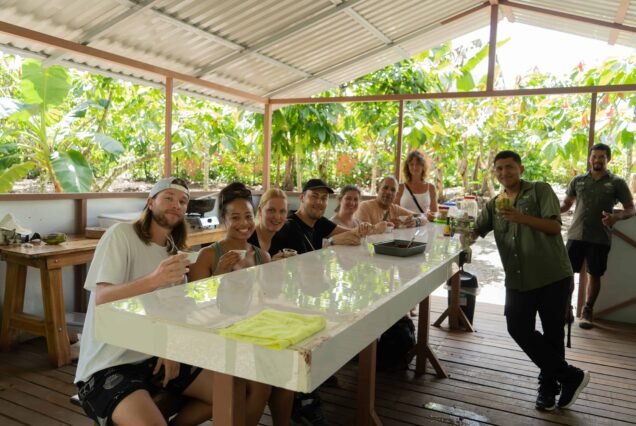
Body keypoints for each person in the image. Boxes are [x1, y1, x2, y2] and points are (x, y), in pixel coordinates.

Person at [74, 177, 215, 426]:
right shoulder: (121, 235)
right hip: (109, 364)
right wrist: (154, 279)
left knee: (228, 393)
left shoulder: (173, 252)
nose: (176, 205)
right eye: (168, 198)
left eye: (183, 201)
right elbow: (102, 297)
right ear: (150, 202)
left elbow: (173, 311)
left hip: (152, 357)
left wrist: (170, 348)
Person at [471, 151, 590, 412]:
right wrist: (462, 232)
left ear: (521, 168)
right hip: (518, 277)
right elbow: (476, 229)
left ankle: (548, 388)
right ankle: (570, 376)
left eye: (509, 167)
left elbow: (554, 227)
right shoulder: (494, 204)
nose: (504, 173)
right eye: (499, 168)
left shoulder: (539, 190)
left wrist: (520, 217)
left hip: (551, 274)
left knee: (553, 333)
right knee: (517, 326)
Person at [189, 182, 272, 426]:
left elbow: (264, 303)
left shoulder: (262, 256)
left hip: (249, 335)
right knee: (257, 381)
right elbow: (194, 307)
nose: (243, 223)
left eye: (248, 216)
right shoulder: (208, 255)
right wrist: (219, 277)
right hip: (213, 337)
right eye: (235, 217)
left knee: (270, 379)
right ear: (223, 220)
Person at [560, 143, 635, 329]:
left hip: (600, 237)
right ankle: (566, 308)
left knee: (594, 274)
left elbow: (630, 208)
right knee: (567, 274)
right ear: (589, 158)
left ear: (608, 159)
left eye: (602, 157)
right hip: (576, 235)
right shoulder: (578, 180)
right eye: (594, 156)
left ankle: (588, 311)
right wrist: (548, 212)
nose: (597, 160)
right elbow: (566, 204)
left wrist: (616, 217)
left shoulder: (617, 182)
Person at [277, 178, 369, 253]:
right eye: (314, 196)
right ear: (302, 197)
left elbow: (354, 234)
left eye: (324, 198)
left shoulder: (319, 222)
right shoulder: (290, 226)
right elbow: (306, 262)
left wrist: (366, 228)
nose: (319, 202)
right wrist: (331, 241)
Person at [355, 176, 424, 228]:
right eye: (385, 188)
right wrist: (387, 226)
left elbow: (423, 217)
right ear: (378, 189)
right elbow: (364, 232)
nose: (388, 192)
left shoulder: (394, 208)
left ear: (396, 195)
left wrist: (417, 221)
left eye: (393, 190)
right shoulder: (364, 207)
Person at [248, 188, 294, 260]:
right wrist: (271, 264)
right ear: (260, 211)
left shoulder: (286, 236)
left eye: (282, 211)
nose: (277, 217)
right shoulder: (247, 237)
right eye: (271, 210)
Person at [395, 150, 438, 221]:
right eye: (411, 164)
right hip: (404, 225)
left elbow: (435, 213)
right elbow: (394, 211)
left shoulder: (430, 188)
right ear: (408, 167)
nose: (414, 167)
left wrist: (431, 216)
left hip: (423, 226)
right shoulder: (400, 188)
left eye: (418, 164)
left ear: (423, 166)